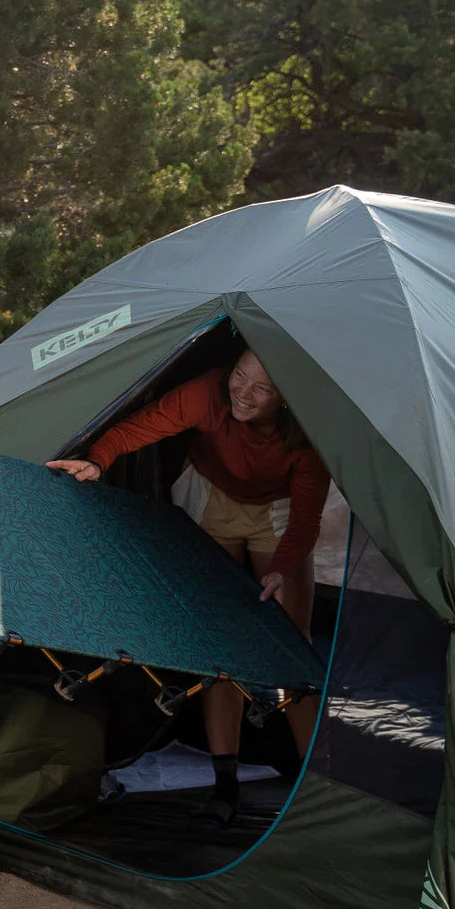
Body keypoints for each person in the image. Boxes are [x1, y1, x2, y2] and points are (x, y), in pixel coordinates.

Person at [47, 349, 329, 826]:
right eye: (240, 376)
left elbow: (305, 521)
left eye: (261, 388)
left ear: (283, 398)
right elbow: (144, 425)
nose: (243, 392)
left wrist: (280, 569)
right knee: (220, 646)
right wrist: (98, 460)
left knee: (292, 646)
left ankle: (316, 781)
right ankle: (225, 784)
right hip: (211, 494)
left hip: (275, 512)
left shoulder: (307, 434)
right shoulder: (208, 392)